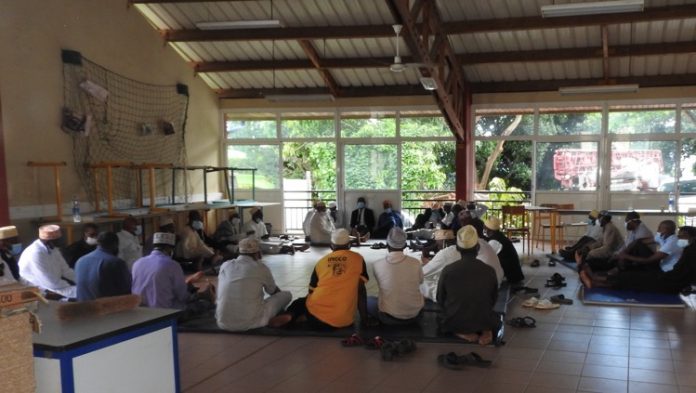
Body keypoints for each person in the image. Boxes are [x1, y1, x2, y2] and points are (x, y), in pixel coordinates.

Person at [269, 229, 369, 329]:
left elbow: (311, 291)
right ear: (349, 245)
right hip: (344, 320)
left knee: (299, 302)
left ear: (331, 246)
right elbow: (361, 291)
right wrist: (364, 319)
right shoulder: (358, 259)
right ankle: (307, 317)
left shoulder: (322, 262)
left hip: (318, 313)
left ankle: (294, 315)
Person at [580, 226, 696, 294]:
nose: (679, 238)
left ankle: (596, 281)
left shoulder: (690, 251)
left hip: (670, 281)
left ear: (692, 237)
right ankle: (598, 280)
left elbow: (683, 274)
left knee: (635, 279)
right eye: (679, 235)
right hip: (667, 277)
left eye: (682, 236)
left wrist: (625, 256)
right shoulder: (685, 247)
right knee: (633, 276)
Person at [437, 225, 500, 346]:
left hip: (456, 320)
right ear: (477, 247)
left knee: (442, 319)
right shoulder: (489, 270)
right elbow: (493, 299)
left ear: (457, 248)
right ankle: (486, 329)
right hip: (483, 318)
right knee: (493, 316)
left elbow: (440, 299)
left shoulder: (448, 270)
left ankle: (460, 331)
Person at [215, 238, 292, 331]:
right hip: (252, 322)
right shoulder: (260, 267)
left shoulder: (225, 265)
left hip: (223, 323)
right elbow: (273, 291)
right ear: (258, 253)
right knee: (286, 295)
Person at [421, 214, 503, 301]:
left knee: (421, 282)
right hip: (493, 286)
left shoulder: (448, 256)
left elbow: (422, 274)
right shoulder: (485, 245)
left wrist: (428, 264)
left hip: (469, 297)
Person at [132, 232, 213, 319]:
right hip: (165, 313)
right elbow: (183, 297)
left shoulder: (137, 263)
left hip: (141, 313)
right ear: (169, 248)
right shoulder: (172, 265)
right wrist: (199, 295)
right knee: (204, 304)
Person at [368, 228, 423, 325]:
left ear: (387, 245)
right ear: (405, 245)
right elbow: (420, 281)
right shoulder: (416, 262)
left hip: (388, 318)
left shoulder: (377, 264)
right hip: (416, 316)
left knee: (368, 300)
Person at [18, 225, 76, 299]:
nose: (62, 242)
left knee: (84, 290)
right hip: (38, 289)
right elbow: (50, 283)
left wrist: (81, 280)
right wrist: (69, 285)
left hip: (56, 285)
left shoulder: (53, 249)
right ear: (49, 240)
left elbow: (66, 270)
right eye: (58, 240)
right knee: (79, 294)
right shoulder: (35, 253)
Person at [74, 231, 131, 301]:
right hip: (107, 308)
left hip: (82, 307)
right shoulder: (116, 263)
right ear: (116, 245)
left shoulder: (80, 260)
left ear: (98, 243)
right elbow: (126, 289)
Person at [616, 220, 682, 272]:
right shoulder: (663, 236)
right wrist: (625, 252)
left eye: (659, 228)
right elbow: (639, 241)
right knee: (638, 244)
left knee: (633, 267)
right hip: (659, 264)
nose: (657, 230)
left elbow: (648, 260)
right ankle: (621, 267)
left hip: (666, 271)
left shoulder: (672, 242)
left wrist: (625, 256)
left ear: (666, 230)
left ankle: (621, 267)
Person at [483, 217, 524, 284]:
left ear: (488, 229)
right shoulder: (499, 236)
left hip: (511, 276)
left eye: (485, 227)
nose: (484, 229)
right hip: (512, 272)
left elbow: (487, 258)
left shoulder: (495, 241)